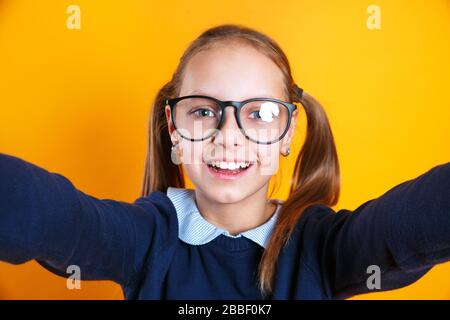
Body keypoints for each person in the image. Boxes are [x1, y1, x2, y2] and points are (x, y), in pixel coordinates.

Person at [0, 24, 449, 300]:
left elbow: (407, 225)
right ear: (174, 128)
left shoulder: (323, 245)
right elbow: (62, 220)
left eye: (259, 113)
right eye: (203, 111)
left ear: (288, 133)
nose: (229, 136)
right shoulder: (145, 237)